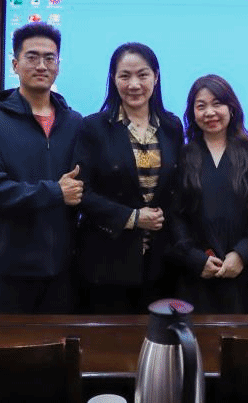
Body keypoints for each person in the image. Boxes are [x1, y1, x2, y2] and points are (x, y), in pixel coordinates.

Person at [0, 22, 83, 314]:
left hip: (62, 270)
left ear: (58, 65)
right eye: (32, 57)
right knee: (6, 344)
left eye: (49, 58)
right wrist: (55, 192)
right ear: (15, 64)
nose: (41, 65)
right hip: (8, 271)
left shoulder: (74, 123)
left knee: (60, 344)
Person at [73, 42, 184, 314]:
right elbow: (81, 192)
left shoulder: (171, 126)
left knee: (156, 335)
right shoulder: (93, 127)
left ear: (156, 77)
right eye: (125, 76)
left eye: (142, 75)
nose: (134, 84)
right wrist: (132, 217)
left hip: (160, 262)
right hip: (106, 260)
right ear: (113, 79)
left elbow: (177, 188)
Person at [169, 74, 248, 314]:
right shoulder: (183, 158)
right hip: (198, 274)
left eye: (217, 104)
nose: (210, 112)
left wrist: (242, 254)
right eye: (201, 106)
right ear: (192, 113)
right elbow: (175, 216)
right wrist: (195, 258)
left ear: (232, 108)